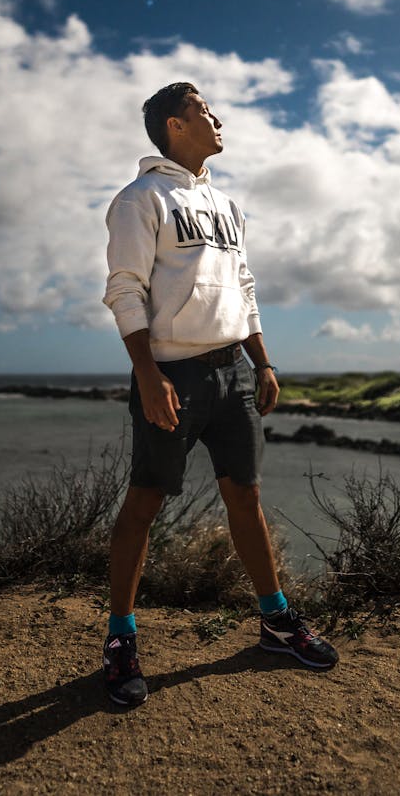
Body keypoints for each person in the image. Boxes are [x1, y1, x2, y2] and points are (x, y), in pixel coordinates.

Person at [102, 81, 338, 706]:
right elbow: (124, 289)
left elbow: (245, 285)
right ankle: (121, 639)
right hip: (171, 377)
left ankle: (275, 620)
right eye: (204, 111)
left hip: (234, 371)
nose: (216, 118)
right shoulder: (138, 199)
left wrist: (261, 362)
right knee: (144, 503)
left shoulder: (227, 204)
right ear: (175, 126)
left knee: (247, 496)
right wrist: (150, 377)